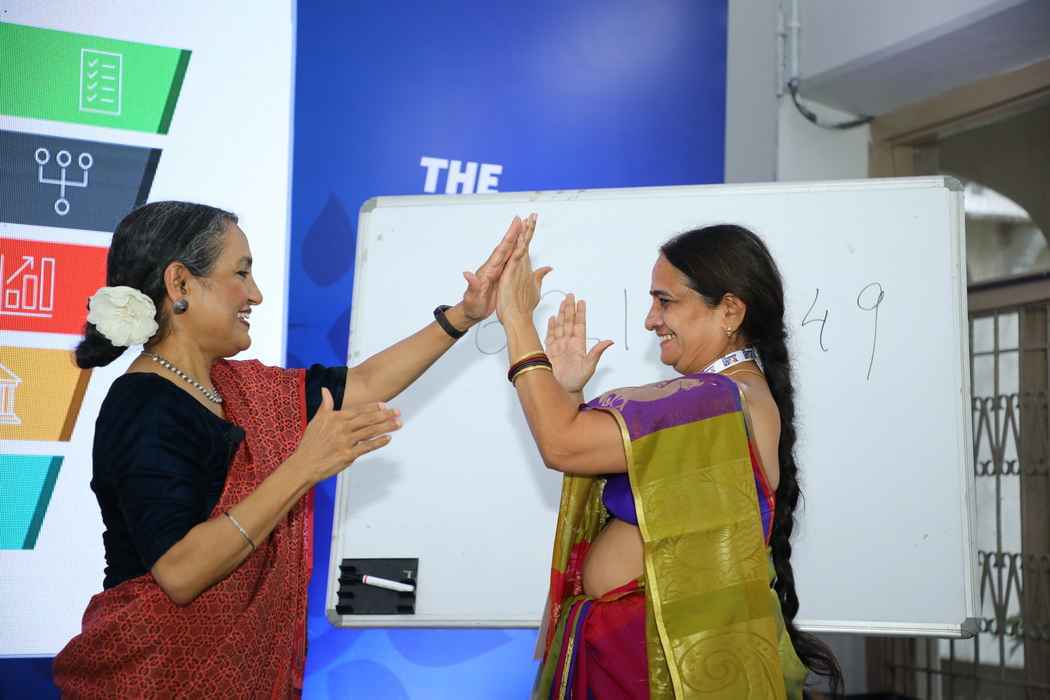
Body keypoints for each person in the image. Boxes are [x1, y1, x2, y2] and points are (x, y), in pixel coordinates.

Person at [52, 201, 522, 698]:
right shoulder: (143, 404)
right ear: (180, 284)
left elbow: (364, 383)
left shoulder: (237, 388)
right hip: (150, 678)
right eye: (241, 273)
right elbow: (180, 572)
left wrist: (464, 316)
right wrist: (302, 468)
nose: (255, 294)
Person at [495, 216, 843, 699]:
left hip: (658, 667)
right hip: (635, 655)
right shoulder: (728, 398)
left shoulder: (716, 400)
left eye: (665, 301)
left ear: (729, 311)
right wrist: (568, 390)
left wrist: (516, 320)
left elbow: (562, 444)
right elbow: (576, 448)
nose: (650, 319)